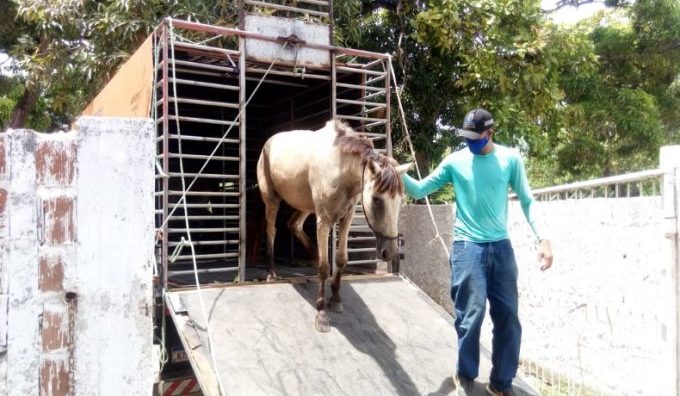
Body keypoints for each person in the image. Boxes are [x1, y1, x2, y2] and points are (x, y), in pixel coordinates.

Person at [401, 108, 553, 396]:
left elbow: (528, 201)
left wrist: (543, 238)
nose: (470, 142)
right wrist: (397, 174)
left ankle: (501, 383)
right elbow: (420, 191)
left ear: (489, 134)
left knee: (508, 316)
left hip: (501, 248)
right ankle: (466, 377)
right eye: (467, 137)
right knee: (471, 316)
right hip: (467, 247)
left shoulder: (510, 159)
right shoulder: (455, 162)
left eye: (476, 137)